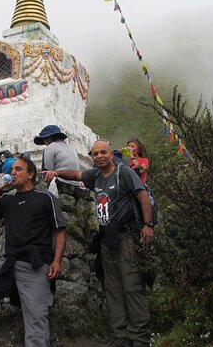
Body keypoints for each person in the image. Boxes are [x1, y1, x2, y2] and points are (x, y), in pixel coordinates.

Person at [44, 140, 154, 347]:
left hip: (127, 236)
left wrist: (148, 225)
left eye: (103, 152)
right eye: (95, 154)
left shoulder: (123, 172)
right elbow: (77, 175)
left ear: (111, 154)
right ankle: (120, 338)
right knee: (112, 289)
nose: (99, 156)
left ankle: (139, 339)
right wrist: (57, 173)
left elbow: (142, 195)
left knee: (132, 288)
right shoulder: (95, 175)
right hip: (107, 239)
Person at [0, 156, 67, 347]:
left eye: (18, 169)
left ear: (30, 174)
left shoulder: (45, 198)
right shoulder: (7, 199)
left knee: (36, 315)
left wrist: (57, 261)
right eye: (12, 169)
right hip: (9, 261)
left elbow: (59, 232)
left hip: (35, 263)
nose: (13, 172)